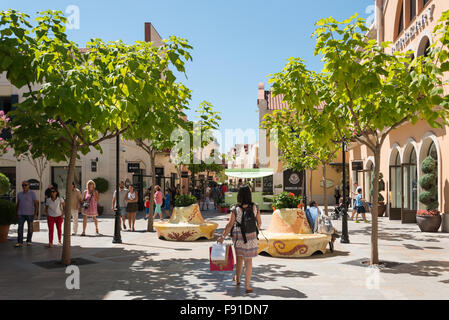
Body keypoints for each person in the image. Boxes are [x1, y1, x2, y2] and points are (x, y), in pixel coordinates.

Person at [218, 185, 261, 294]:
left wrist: (222, 237)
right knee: (249, 261)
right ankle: (247, 286)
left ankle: (237, 279)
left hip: (239, 236)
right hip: (251, 236)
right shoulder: (255, 206)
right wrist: (255, 232)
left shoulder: (235, 208)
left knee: (239, 259)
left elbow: (229, 225)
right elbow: (259, 222)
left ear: (239, 195)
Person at [15, 181, 39, 247]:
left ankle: (29, 241)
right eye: (23, 185)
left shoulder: (32, 193)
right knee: (20, 228)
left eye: (25, 185)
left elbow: (36, 203)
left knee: (30, 228)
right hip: (21, 213)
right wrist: (16, 212)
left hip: (30, 213)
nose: (24, 186)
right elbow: (18, 203)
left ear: (28, 186)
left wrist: (35, 213)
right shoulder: (19, 194)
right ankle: (20, 242)